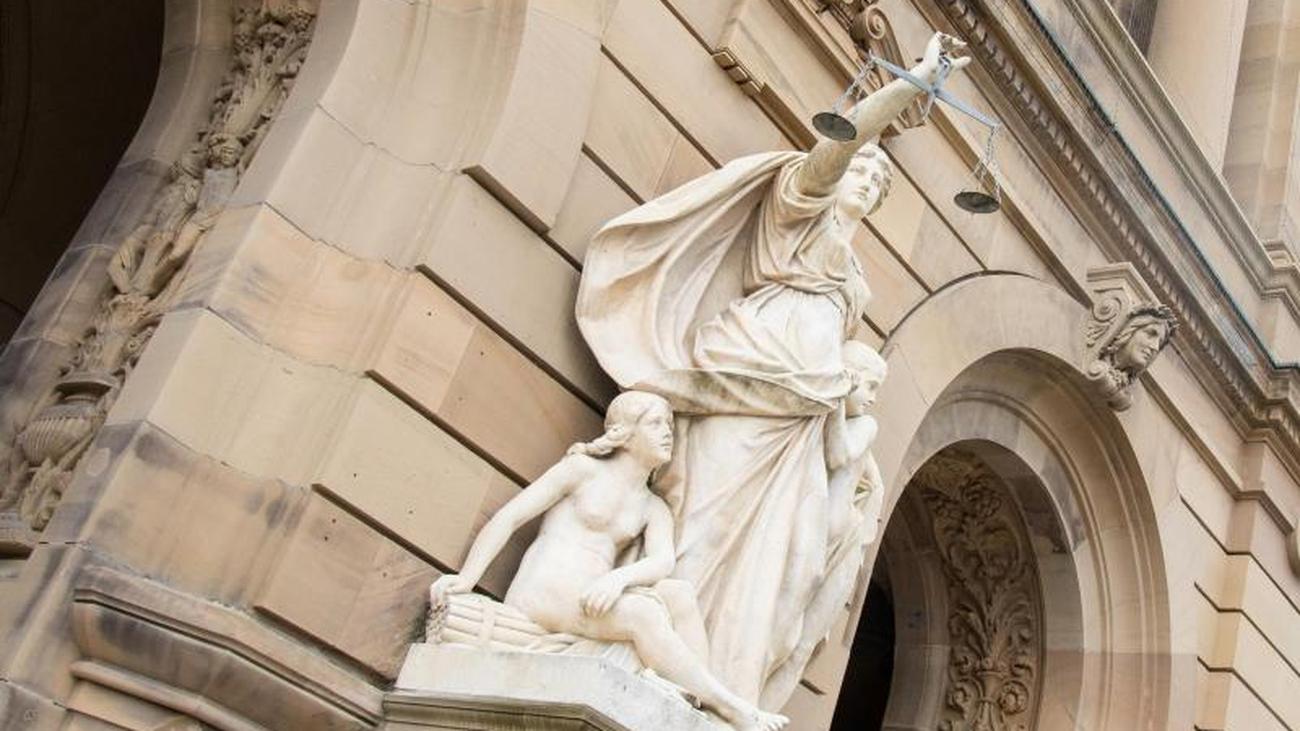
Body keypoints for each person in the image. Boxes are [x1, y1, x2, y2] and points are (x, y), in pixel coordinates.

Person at [576, 32, 970, 707]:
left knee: (790, 561)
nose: (869, 182)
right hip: (750, 384)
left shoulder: (852, 268)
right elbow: (837, 147)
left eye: (880, 183)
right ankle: (655, 663)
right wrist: (909, 87)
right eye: (863, 171)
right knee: (707, 526)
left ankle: (726, 684)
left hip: (805, 416)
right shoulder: (798, 212)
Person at [430, 391, 787, 731]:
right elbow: (510, 517)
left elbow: (662, 562)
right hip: (544, 591)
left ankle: (705, 708)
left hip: (591, 597)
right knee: (642, 613)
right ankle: (731, 706)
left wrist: (618, 578)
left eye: (669, 426)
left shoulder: (652, 507)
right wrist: (467, 577)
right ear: (624, 432)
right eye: (656, 423)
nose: (668, 433)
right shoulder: (582, 470)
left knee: (678, 594)